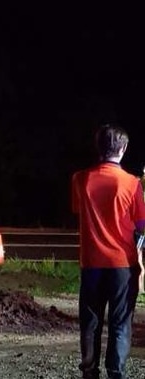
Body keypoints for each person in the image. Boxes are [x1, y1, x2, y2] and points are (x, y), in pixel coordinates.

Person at [71, 124, 145, 379]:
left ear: (98, 147)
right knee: (120, 323)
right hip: (122, 264)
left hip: (91, 263)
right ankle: (116, 373)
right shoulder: (132, 183)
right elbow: (141, 225)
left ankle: (90, 371)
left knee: (90, 323)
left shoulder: (80, 179)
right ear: (122, 149)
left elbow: (77, 209)